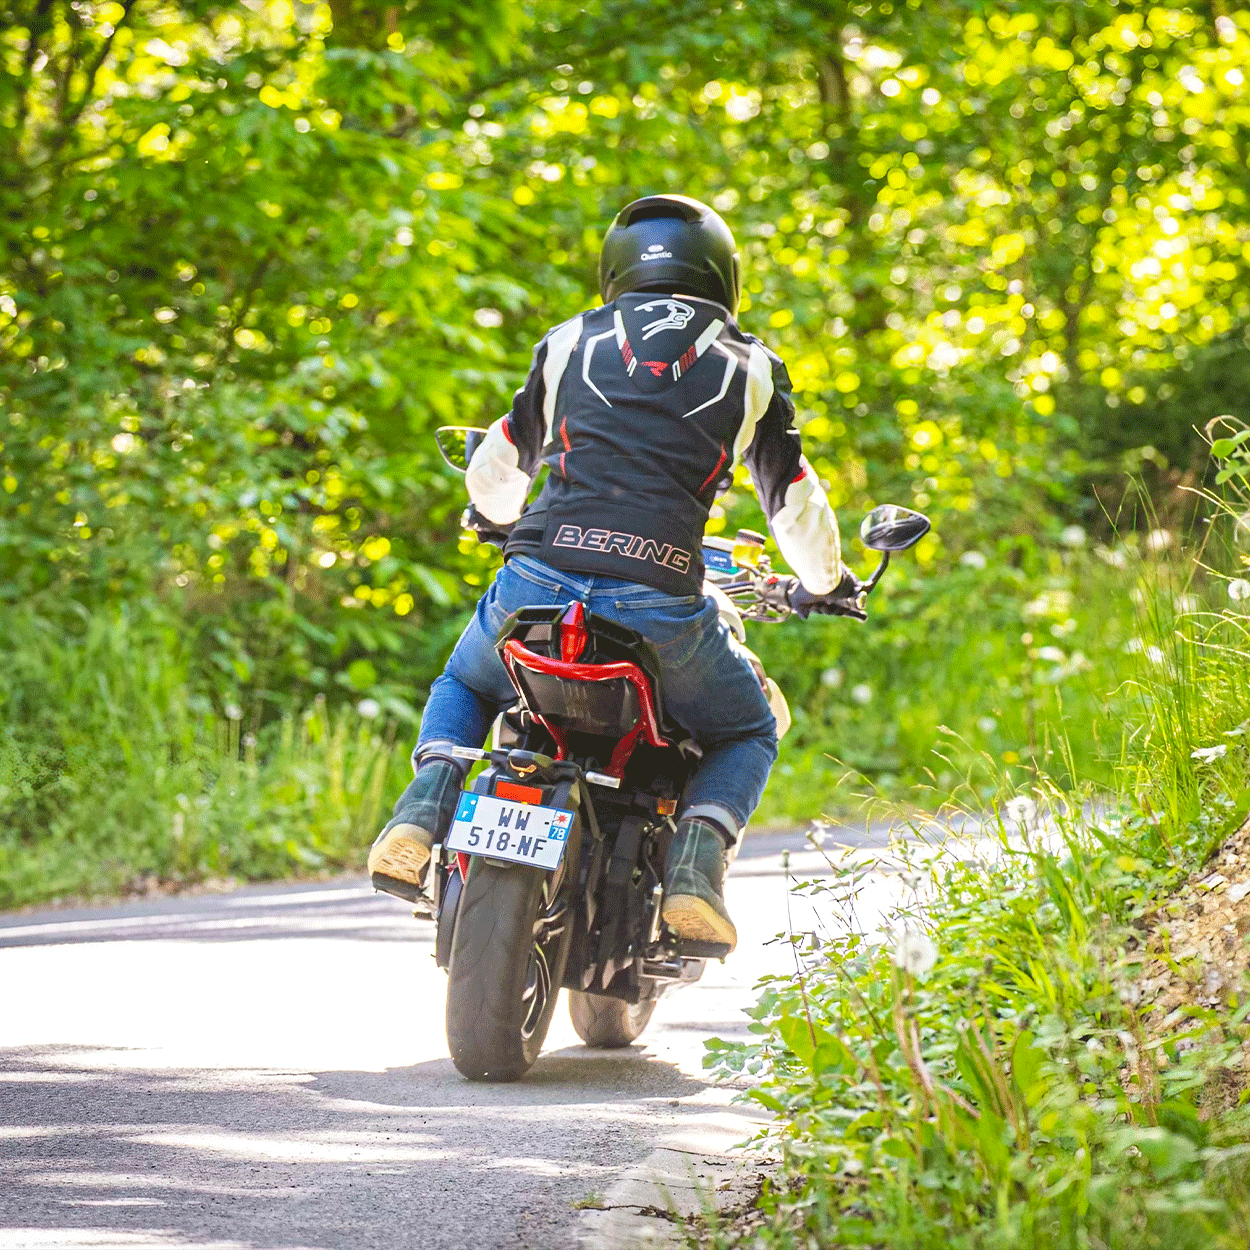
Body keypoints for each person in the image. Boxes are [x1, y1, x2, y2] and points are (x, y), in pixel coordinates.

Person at [367, 193, 858, 952]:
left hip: (539, 573)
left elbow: (502, 456)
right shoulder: (751, 364)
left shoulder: (570, 339)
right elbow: (791, 500)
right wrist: (826, 583)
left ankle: (422, 808)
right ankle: (695, 871)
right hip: (661, 595)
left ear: (616, 270)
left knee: (468, 681)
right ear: (722, 274)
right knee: (746, 728)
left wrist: (496, 514)